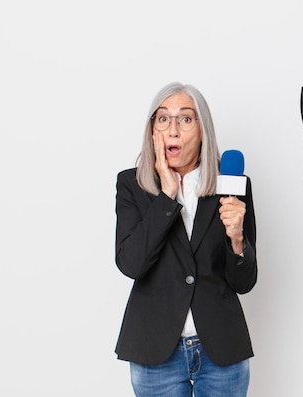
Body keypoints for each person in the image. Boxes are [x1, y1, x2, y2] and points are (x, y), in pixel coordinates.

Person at [114, 82, 257, 397]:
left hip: (221, 349)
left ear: (203, 130)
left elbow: (244, 282)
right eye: (163, 119)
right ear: (153, 130)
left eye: (186, 119)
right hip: (154, 350)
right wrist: (167, 197)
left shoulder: (232, 183)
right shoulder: (131, 185)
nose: (173, 130)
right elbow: (131, 263)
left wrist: (236, 239)